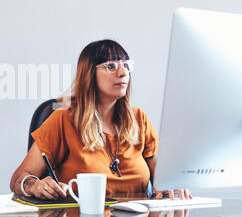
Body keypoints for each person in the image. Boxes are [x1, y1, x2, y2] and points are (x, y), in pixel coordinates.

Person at [10, 39, 192, 200]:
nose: (123, 73)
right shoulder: (62, 120)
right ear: (89, 74)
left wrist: (172, 187)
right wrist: (35, 185)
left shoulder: (140, 119)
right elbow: (18, 178)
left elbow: (163, 180)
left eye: (126, 65)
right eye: (111, 66)